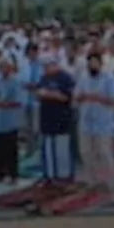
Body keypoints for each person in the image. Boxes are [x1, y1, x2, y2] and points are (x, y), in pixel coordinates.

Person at [75, 52, 114, 193]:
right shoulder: (83, 77)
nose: (92, 66)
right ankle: (91, 182)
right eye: (90, 63)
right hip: (86, 121)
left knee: (105, 153)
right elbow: (76, 96)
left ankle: (110, 184)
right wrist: (82, 97)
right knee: (86, 153)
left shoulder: (110, 78)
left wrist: (98, 98)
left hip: (103, 122)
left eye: (95, 63)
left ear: (100, 64)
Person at [36, 55, 76, 183]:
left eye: (49, 65)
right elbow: (38, 93)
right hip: (46, 117)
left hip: (61, 118)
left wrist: (51, 95)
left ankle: (64, 175)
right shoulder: (43, 78)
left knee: (62, 148)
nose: (46, 68)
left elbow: (67, 98)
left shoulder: (65, 78)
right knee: (47, 147)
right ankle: (49, 175)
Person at [0, 55, 24, 182]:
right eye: (1, 68)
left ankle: (13, 174)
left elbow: (19, 101)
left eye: (5, 67)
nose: (3, 70)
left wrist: (6, 104)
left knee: (11, 149)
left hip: (10, 121)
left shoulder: (15, 83)